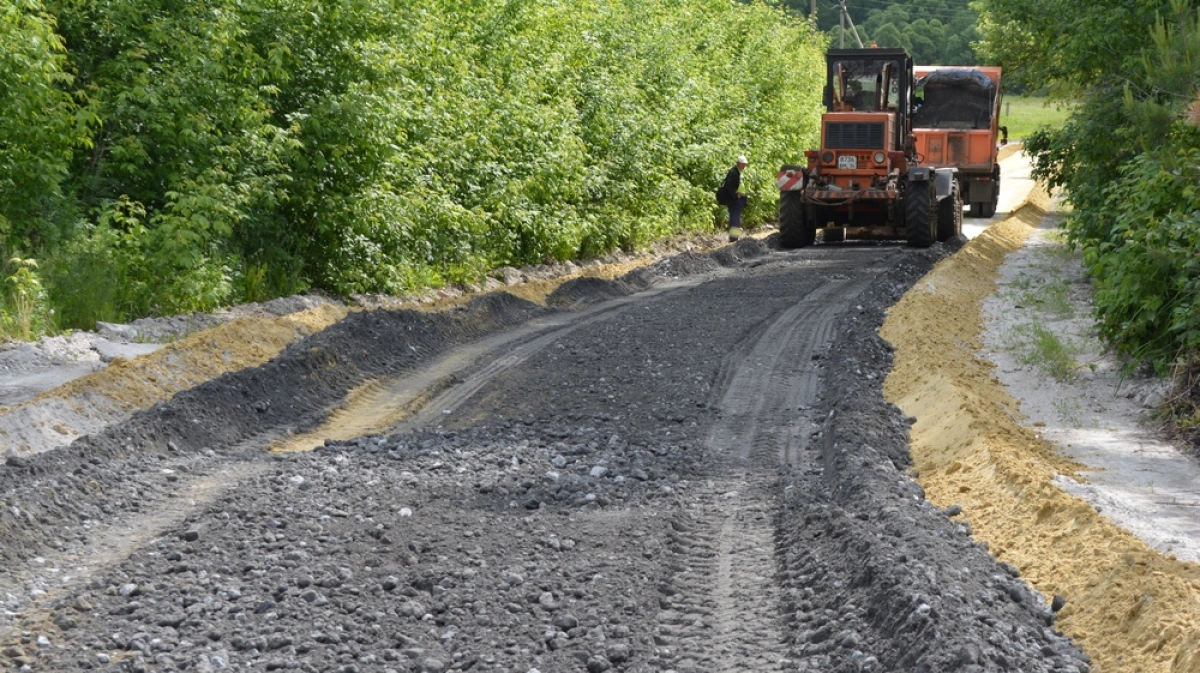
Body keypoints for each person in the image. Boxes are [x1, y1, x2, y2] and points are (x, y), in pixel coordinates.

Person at [718, 156, 748, 241]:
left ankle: (734, 237)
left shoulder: (737, 172)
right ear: (738, 163)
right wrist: (736, 194)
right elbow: (729, 185)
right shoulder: (733, 172)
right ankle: (734, 238)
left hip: (736, 200)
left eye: (745, 165)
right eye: (743, 164)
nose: (744, 166)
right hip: (733, 200)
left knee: (736, 218)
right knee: (735, 219)